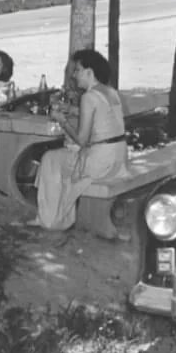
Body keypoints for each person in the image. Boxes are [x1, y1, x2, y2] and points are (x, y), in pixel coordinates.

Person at [27, 49, 128, 230]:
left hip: (101, 162)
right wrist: (71, 109)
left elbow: (82, 140)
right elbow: (104, 116)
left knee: (50, 158)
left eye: (78, 70)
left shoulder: (88, 97)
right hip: (119, 158)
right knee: (64, 156)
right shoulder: (111, 92)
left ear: (90, 72)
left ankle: (50, 219)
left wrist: (62, 120)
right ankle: (62, 215)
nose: (74, 75)